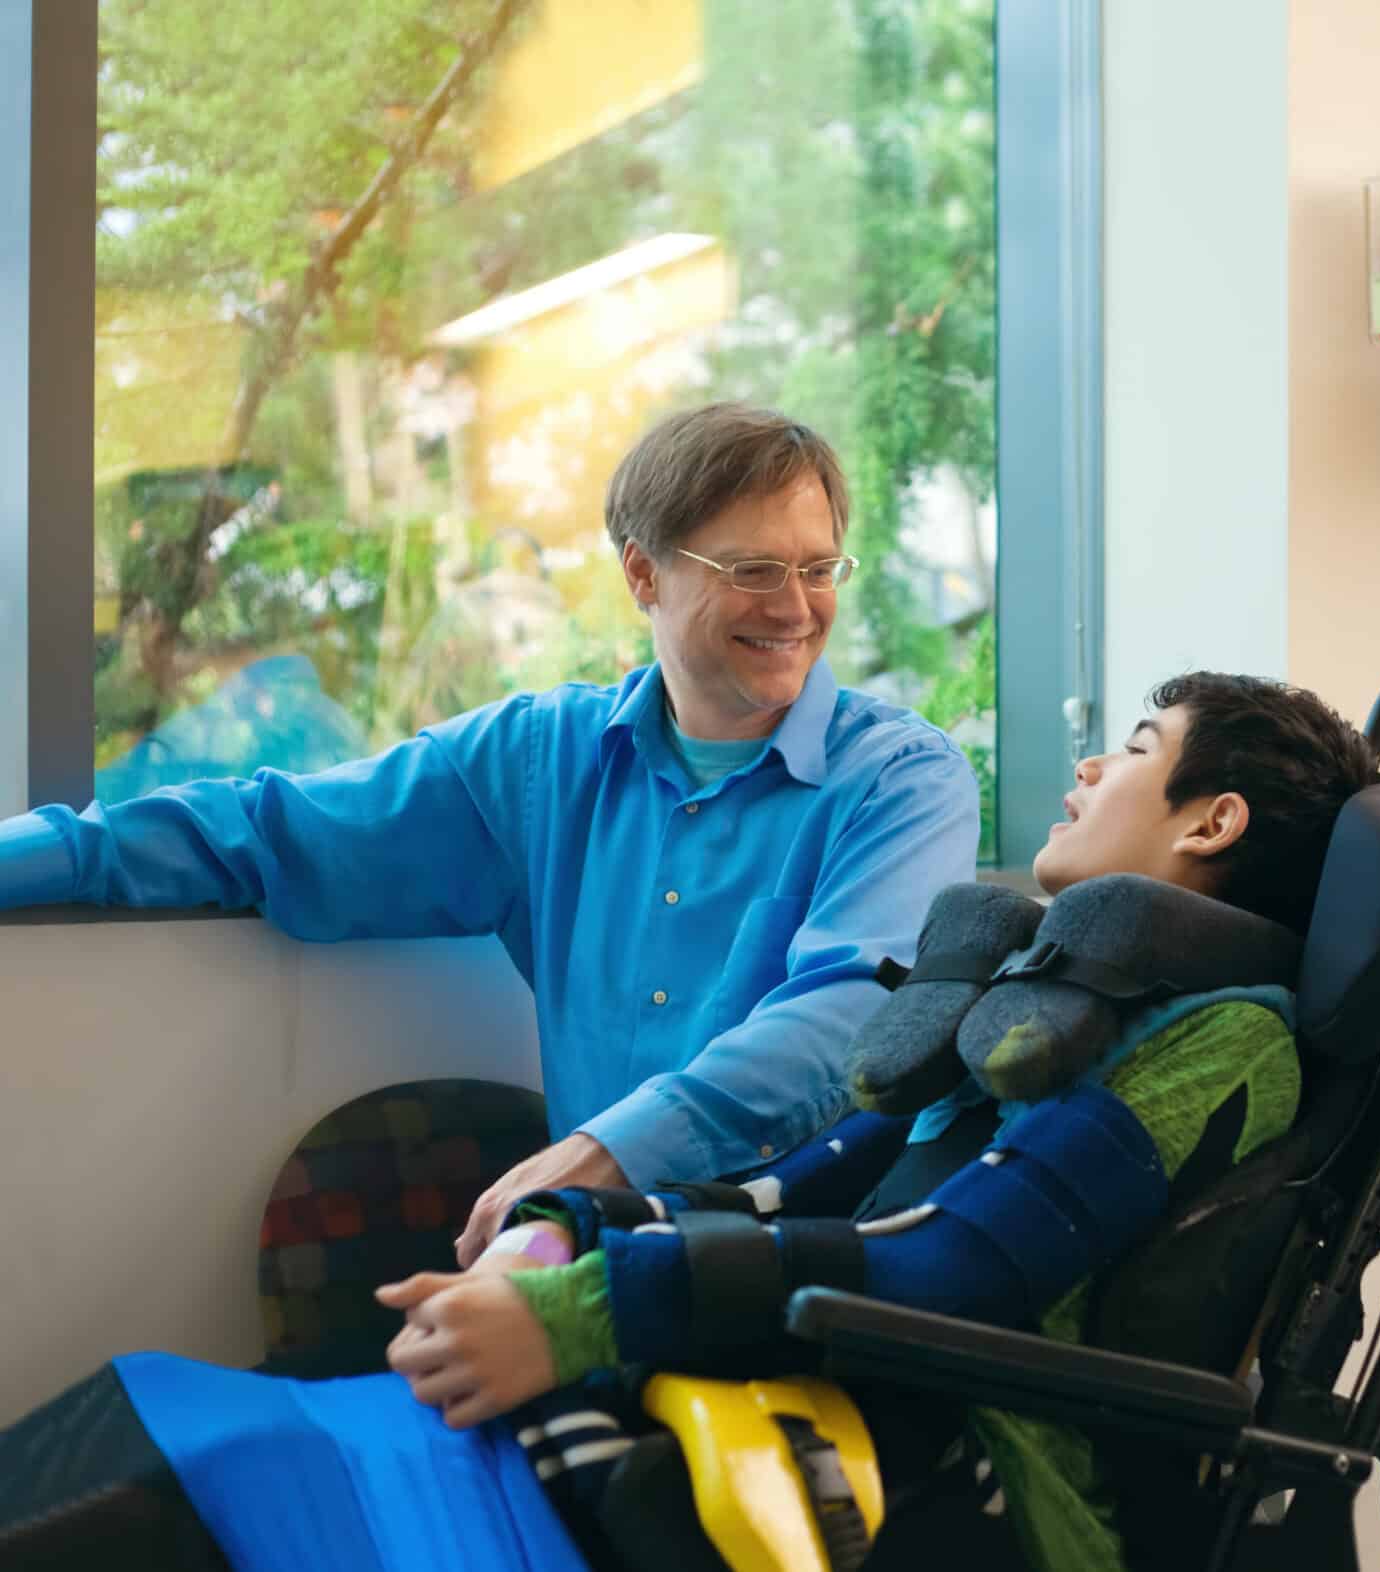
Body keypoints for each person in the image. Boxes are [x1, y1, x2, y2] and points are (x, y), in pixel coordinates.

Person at [0, 673, 1379, 1572]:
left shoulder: (1217, 1040)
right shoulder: (1055, 990)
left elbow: (958, 1268)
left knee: (187, 1514)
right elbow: (818, 1181)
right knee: (179, 1451)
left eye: (1137, 749)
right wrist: (567, 1233)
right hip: (846, 1378)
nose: (1088, 766)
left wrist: (589, 1313)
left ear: (1213, 823)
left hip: (976, 1456)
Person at [0, 404, 983, 1258]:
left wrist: (604, 1154)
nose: (796, 605)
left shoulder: (903, 781)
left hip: (819, 1266)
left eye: (817, 569)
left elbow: (853, 1016)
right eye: (752, 568)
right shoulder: (535, 761)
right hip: (587, 1253)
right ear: (643, 575)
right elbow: (269, 829)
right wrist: (40, 855)